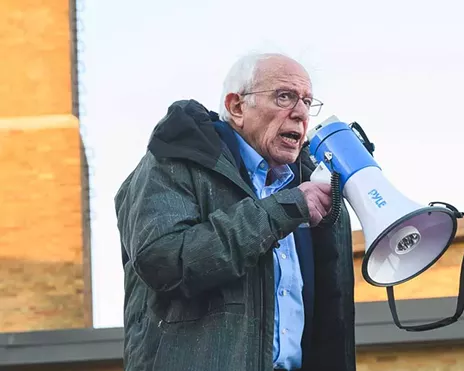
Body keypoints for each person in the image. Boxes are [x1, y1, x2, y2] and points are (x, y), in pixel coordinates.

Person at [114, 52, 356, 371]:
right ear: (236, 106)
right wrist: (285, 210)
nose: (300, 112)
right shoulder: (174, 162)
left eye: (307, 102)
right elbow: (166, 263)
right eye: (284, 96)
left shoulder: (310, 187)